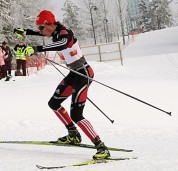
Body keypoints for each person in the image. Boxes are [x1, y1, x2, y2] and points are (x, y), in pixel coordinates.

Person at [14, 10, 110, 160]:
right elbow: (43, 34)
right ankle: (73, 134)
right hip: (74, 74)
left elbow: (62, 44)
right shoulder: (55, 32)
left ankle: (101, 147)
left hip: (83, 74)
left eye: (41, 27)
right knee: (54, 103)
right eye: (39, 28)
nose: (40, 31)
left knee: (77, 115)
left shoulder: (65, 33)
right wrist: (26, 31)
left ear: (50, 24)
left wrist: (38, 49)